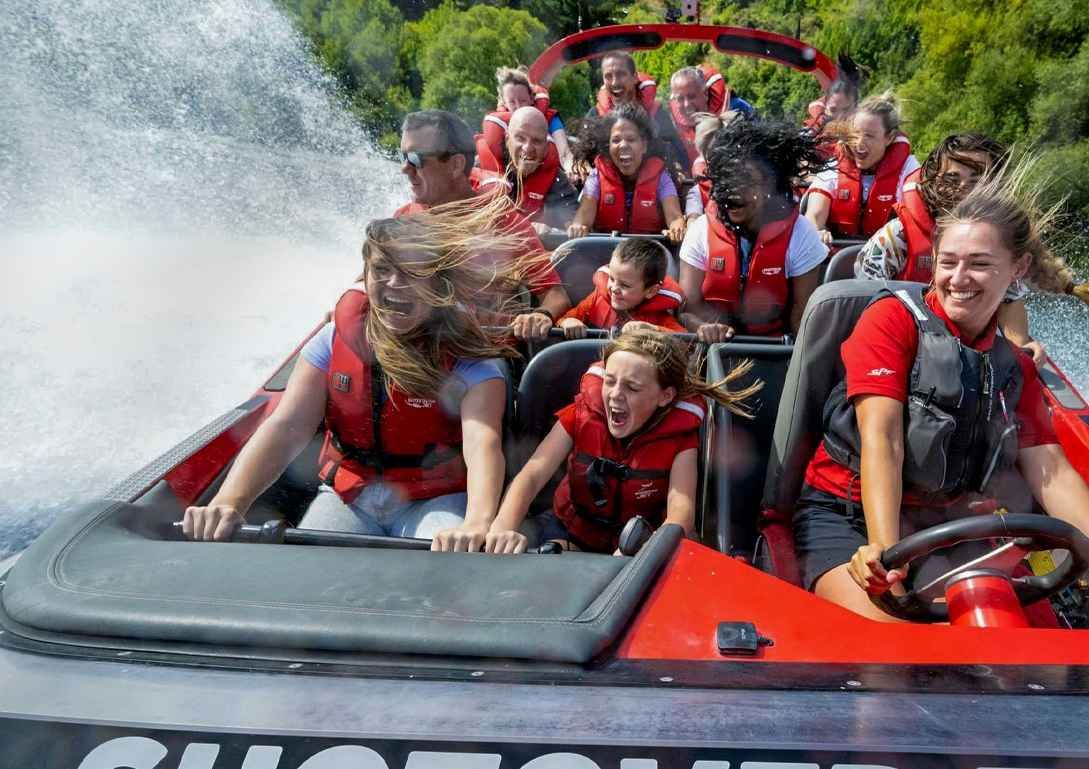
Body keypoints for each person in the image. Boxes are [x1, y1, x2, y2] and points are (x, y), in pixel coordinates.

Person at [791, 167, 1089, 622]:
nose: (958, 278)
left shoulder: (1014, 365)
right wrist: (888, 555)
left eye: (980, 264)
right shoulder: (890, 321)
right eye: (948, 262)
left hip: (946, 526)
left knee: (1018, 638)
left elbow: (1051, 473)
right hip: (845, 520)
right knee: (900, 642)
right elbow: (882, 439)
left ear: (1017, 268)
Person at [182, 208, 525, 552]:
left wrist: (478, 521)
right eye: (382, 270)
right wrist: (229, 502)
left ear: (437, 283)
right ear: (364, 274)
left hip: (435, 499)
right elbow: (286, 428)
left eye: (411, 272)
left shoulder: (471, 362)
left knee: (442, 572)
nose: (394, 283)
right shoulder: (333, 340)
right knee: (307, 573)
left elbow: (482, 445)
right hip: (349, 495)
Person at [486, 330, 760, 553]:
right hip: (573, 532)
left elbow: (682, 510)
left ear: (664, 397)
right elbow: (532, 475)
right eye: (610, 381)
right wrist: (503, 528)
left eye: (632, 388)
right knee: (551, 559)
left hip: (642, 540)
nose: (615, 395)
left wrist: (642, 548)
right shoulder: (580, 415)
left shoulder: (681, 440)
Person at [858, 133, 1089, 366]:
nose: (963, 190)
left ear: (994, 187)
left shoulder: (1001, 246)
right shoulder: (896, 236)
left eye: (977, 181)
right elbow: (863, 302)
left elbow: (1009, 301)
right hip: (900, 343)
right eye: (951, 178)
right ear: (932, 181)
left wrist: (1020, 347)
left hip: (968, 352)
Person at [395, 110, 570, 340]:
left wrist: (541, 315)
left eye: (416, 159)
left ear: (456, 165)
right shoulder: (404, 219)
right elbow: (371, 284)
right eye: (403, 156)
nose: (405, 168)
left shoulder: (505, 225)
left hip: (480, 355)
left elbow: (556, 294)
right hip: (418, 349)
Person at [678, 119, 829, 341]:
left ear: (769, 185)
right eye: (728, 180)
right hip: (713, 347)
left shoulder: (801, 234)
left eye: (746, 181)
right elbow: (688, 308)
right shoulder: (700, 230)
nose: (733, 190)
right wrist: (704, 328)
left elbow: (800, 317)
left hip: (777, 347)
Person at [803, 91, 918, 245]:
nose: (858, 143)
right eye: (856, 133)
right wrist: (816, 231)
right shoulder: (834, 166)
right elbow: (814, 216)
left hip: (887, 261)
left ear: (889, 138)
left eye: (869, 136)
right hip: (836, 258)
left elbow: (918, 219)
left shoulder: (909, 170)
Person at [567, 106, 686, 241]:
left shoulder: (661, 178)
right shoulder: (596, 176)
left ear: (644, 146)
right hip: (605, 252)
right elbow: (583, 218)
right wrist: (578, 226)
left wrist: (677, 227)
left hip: (648, 254)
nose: (623, 145)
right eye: (616, 140)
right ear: (609, 146)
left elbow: (675, 217)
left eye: (631, 139)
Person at [558, 237, 685, 336]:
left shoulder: (658, 317)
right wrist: (567, 322)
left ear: (651, 291)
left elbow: (688, 342)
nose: (613, 288)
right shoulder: (596, 299)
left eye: (624, 285)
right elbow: (563, 319)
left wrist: (652, 330)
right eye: (612, 279)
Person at [497, 106, 578, 234]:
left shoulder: (557, 180)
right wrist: (526, 227)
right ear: (507, 139)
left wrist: (570, 228)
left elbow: (573, 225)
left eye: (536, 141)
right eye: (520, 138)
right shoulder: (482, 169)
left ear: (546, 148)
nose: (528, 148)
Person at [483, 66, 571, 171]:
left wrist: (571, 169)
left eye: (523, 100)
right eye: (512, 102)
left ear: (531, 98)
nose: (518, 106)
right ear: (504, 103)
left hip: (548, 179)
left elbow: (565, 155)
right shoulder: (499, 126)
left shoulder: (551, 120)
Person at [667, 66, 755, 165]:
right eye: (680, 99)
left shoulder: (737, 107)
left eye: (692, 96)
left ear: (705, 94)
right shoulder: (679, 131)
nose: (687, 105)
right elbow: (682, 161)